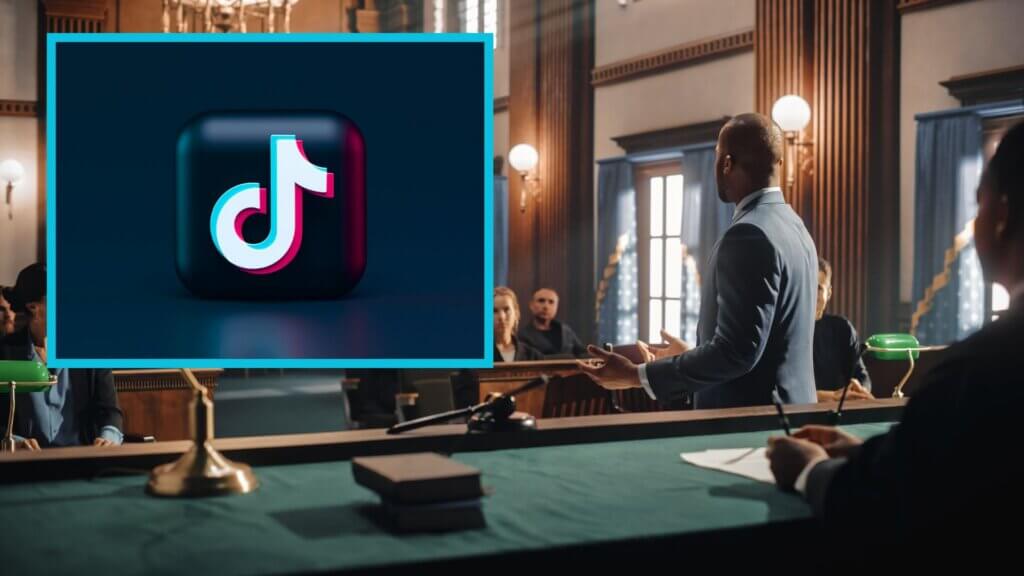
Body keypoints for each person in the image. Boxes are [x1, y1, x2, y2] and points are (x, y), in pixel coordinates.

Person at [766, 121, 1024, 559]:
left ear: (1001, 215)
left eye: (977, 203)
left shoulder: (978, 371)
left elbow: (883, 505)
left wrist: (810, 470)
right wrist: (868, 453)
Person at [581, 113, 818, 408]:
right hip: (792, 412)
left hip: (749, 423)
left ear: (727, 163)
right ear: (779, 163)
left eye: (717, 157)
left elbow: (737, 353)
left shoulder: (748, 234)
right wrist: (691, 355)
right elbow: (765, 343)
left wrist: (637, 375)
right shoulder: (795, 226)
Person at [0, 263, 124, 450]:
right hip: (26, 461)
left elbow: (110, 411)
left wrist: (108, 437)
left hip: (81, 459)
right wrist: (14, 442)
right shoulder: (5, 352)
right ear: (33, 307)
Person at [813, 258, 873, 402]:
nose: (812, 295)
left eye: (818, 289)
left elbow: (862, 376)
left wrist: (859, 389)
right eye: (807, 287)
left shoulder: (842, 328)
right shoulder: (785, 331)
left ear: (829, 293)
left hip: (840, 410)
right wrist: (832, 397)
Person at [517, 288, 587, 358]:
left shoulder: (565, 331)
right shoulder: (523, 336)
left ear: (556, 307)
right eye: (541, 301)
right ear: (531, 305)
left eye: (551, 302)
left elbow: (582, 353)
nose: (546, 306)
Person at [494, 286, 542, 363]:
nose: (502, 317)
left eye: (506, 309)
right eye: (494, 311)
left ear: (516, 314)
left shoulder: (533, 356)